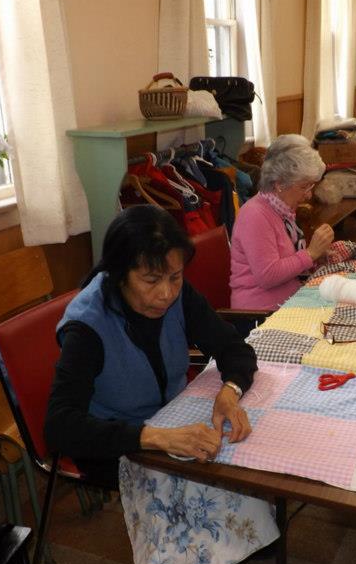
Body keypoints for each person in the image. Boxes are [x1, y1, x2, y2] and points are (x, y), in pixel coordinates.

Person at [44, 204, 257, 483]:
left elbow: (234, 348)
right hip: (116, 445)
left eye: (175, 277)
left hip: (171, 416)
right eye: (151, 280)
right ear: (120, 275)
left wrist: (230, 391)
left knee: (247, 461)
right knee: (223, 483)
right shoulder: (88, 326)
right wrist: (157, 437)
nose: (166, 293)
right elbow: (60, 427)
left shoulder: (178, 294)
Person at [229, 134, 335, 310]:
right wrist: (310, 254)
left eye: (311, 186)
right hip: (260, 313)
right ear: (279, 184)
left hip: (288, 302)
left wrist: (316, 257)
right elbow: (268, 276)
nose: (309, 195)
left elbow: (289, 261)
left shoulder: (281, 209)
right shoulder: (254, 215)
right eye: (304, 187)